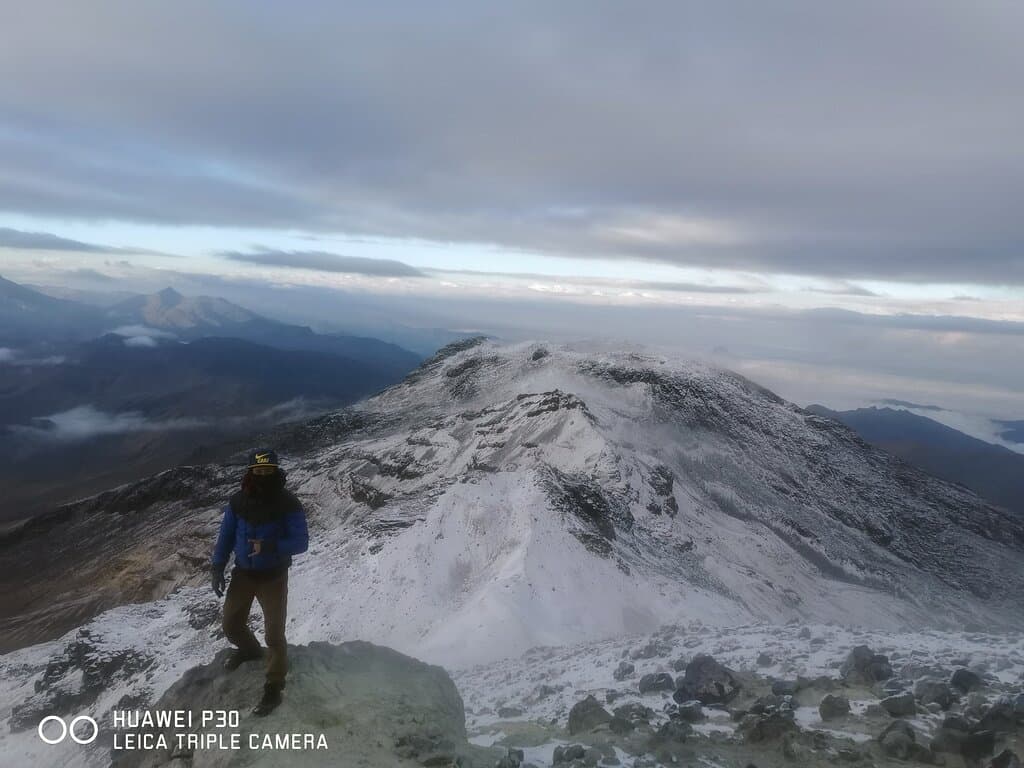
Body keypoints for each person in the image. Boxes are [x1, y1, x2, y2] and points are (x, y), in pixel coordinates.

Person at [210, 449, 308, 716]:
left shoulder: (288, 503)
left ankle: (274, 685)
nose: (263, 474)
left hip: (273, 576)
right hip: (243, 574)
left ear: (275, 471)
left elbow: (301, 542)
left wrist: (270, 546)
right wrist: (217, 566)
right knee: (231, 625)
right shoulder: (238, 502)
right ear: (251, 471)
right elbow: (226, 535)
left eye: (268, 470)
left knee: (274, 635)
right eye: (259, 470)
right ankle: (251, 651)